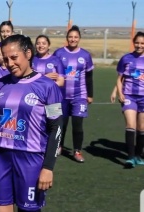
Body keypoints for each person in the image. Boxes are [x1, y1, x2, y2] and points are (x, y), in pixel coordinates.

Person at [0, 34, 63, 212]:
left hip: (30, 159)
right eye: (6, 59)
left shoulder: (47, 87)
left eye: (14, 57)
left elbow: (56, 128)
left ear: (28, 54)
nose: (9, 63)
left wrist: (48, 167)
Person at [53, 25, 94, 163]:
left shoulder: (85, 55)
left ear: (79, 39)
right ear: (67, 38)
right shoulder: (58, 53)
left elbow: (89, 76)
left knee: (77, 125)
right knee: (61, 124)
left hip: (79, 96)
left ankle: (77, 151)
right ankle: (59, 146)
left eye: (75, 37)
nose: (73, 39)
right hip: (61, 96)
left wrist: (90, 94)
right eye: (70, 37)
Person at [116, 31, 144, 168]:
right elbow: (120, 79)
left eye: (142, 43)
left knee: (141, 128)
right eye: (137, 42)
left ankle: (139, 156)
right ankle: (130, 157)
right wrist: (119, 93)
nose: (139, 45)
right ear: (134, 43)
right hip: (129, 96)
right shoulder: (126, 58)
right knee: (130, 125)